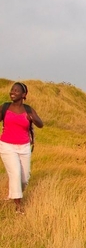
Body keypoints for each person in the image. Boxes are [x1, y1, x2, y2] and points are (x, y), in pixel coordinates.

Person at [0, 82, 44, 213]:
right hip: (7, 146)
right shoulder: (5, 107)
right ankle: (18, 208)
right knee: (15, 173)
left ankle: (12, 194)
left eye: (16, 91)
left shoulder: (28, 109)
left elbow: (40, 124)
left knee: (24, 180)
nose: (12, 92)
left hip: (24, 147)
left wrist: (33, 119)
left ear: (24, 95)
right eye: (12, 90)